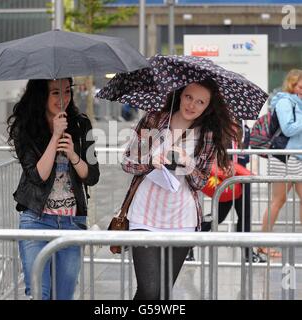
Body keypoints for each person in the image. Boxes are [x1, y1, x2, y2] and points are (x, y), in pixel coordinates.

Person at [121, 79, 240, 300]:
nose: (192, 105)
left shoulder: (207, 134)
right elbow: (128, 162)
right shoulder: (154, 120)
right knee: (150, 290)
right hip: (144, 214)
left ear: (208, 106)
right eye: (188, 97)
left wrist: (188, 164)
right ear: (179, 94)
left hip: (182, 218)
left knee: (163, 292)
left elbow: (201, 182)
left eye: (200, 102)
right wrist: (150, 161)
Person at [7, 78, 100, 300]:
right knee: (39, 293)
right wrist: (55, 136)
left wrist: (73, 155)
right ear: (41, 95)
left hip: (71, 222)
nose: (63, 98)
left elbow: (92, 176)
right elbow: (38, 176)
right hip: (35, 220)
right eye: (55, 93)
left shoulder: (80, 125)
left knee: (63, 295)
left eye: (67, 91)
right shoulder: (26, 126)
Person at [200, 124, 266, 263]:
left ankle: (248, 253)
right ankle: (187, 244)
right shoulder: (217, 128)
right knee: (218, 216)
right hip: (225, 180)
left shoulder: (245, 129)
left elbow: (246, 156)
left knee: (245, 216)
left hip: (242, 179)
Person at [258, 69, 302, 258]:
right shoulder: (285, 101)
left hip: (298, 157)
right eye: (300, 85)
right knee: (278, 200)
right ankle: (263, 244)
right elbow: (289, 129)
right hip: (284, 157)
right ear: (292, 85)